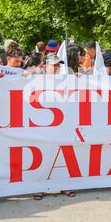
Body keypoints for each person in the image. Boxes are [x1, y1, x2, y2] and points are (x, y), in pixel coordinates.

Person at [32, 54, 76, 200]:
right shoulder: (35, 79)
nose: (57, 67)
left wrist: (81, 77)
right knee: (43, 156)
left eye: (58, 65)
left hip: (61, 124)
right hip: (43, 125)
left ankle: (63, 185)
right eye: (54, 65)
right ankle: (39, 187)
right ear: (45, 66)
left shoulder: (64, 79)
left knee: (61, 156)